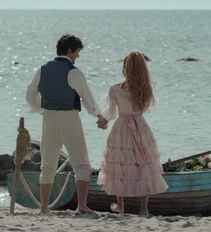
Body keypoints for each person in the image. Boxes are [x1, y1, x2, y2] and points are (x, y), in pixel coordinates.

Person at [26, 34, 103, 216]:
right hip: (70, 119)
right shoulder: (74, 72)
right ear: (69, 50)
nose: (78, 56)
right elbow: (88, 99)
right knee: (81, 164)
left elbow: (30, 95)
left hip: (49, 120)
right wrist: (100, 116)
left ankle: (44, 208)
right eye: (77, 52)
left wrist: (40, 110)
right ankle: (82, 206)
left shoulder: (41, 69)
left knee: (47, 164)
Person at [97, 51, 168, 217]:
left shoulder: (115, 89)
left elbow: (111, 112)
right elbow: (143, 109)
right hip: (140, 126)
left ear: (125, 68)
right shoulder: (146, 89)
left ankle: (120, 205)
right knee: (143, 164)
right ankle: (143, 208)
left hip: (121, 127)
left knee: (119, 164)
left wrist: (103, 121)